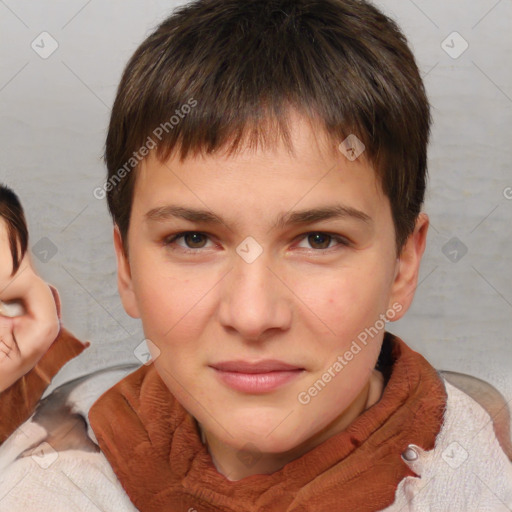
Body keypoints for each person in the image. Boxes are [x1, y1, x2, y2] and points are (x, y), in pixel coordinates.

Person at [1, 0, 511, 510]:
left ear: (403, 267)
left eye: (318, 239)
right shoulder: (45, 488)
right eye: (193, 239)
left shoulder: (485, 484)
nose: (252, 315)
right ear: (127, 267)